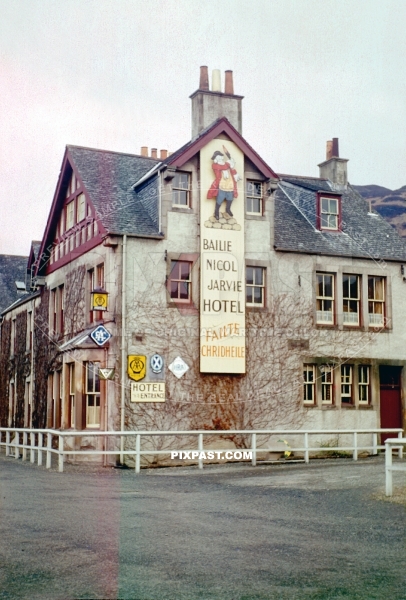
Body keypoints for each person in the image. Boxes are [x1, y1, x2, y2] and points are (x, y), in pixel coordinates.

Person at [207, 148, 241, 220]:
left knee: (230, 198)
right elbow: (223, 167)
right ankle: (216, 212)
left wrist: (236, 175)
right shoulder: (215, 166)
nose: (219, 158)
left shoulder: (227, 164)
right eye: (217, 156)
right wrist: (229, 162)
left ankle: (228, 209)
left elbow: (232, 170)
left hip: (230, 185)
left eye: (220, 156)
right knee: (219, 200)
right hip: (222, 185)